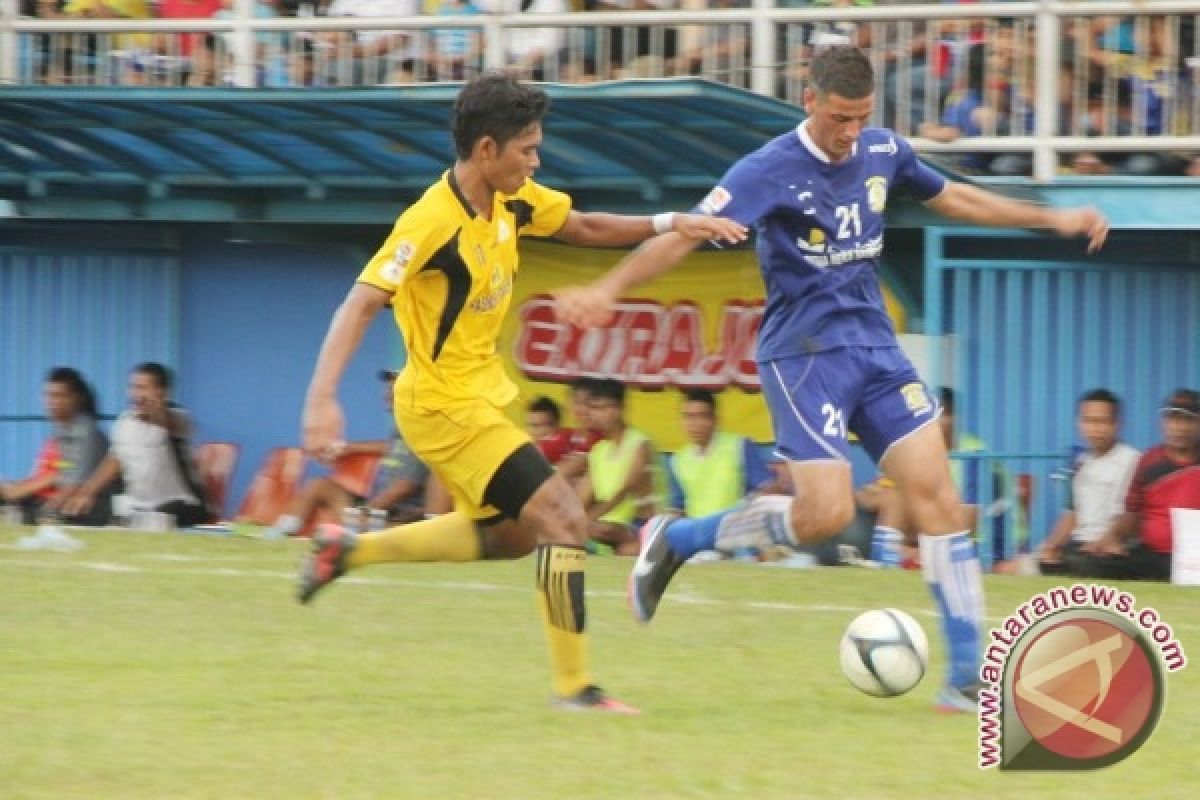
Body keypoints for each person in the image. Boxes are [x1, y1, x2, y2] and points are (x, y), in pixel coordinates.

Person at [554, 45, 1108, 712]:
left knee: (938, 495)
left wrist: (1051, 217)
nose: (851, 134)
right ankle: (678, 539)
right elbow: (685, 234)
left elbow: (954, 197)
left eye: (862, 118)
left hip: (875, 349)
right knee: (826, 515)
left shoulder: (883, 152)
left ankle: (965, 679)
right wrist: (611, 288)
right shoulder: (768, 170)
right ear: (809, 101)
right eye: (840, 118)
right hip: (803, 357)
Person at [295, 72, 746, 713]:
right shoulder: (430, 221)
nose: (536, 160)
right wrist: (322, 398)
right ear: (486, 150)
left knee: (514, 536)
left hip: (478, 400)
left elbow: (584, 226)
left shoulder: (512, 200)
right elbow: (361, 302)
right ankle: (576, 690)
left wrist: (677, 221)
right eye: (526, 149)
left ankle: (349, 549)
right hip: (442, 408)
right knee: (562, 518)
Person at [263, 369, 431, 539]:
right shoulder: (401, 426)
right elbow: (392, 447)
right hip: (375, 509)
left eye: (394, 389)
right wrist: (350, 447)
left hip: (399, 515)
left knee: (369, 525)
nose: (387, 394)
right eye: (388, 389)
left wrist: (366, 511)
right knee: (319, 486)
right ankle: (281, 533)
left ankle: (361, 533)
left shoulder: (422, 429)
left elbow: (403, 487)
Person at [63, 362, 211, 528]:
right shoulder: (125, 421)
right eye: (132, 387)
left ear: (162, 392)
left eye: (142, 388)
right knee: (78, 516)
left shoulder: (180, 418)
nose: (135, 394)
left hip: (180, 504)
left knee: (154, 519)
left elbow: (168, 421)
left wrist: (156, 408)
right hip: (136, 507)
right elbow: (114, 460)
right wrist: (86, 492)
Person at [1078, 389, 1200, 581]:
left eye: (1188, 420)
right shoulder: (1149, 461)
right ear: (1163, 423)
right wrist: (1111, 538)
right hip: (1152, 555)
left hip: (1194, 559)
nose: (1179, 428)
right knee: (1092, 564)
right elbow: (1133, 511)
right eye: (1173, 419)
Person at [1037, 389, 1140, 576]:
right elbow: (1072, 514)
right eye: (1089, 421)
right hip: (1078, 546)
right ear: (1079, 423)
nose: (1096, 429)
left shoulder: (1131, 460)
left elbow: (1129, 515)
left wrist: (1104, 542)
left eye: (1103, 422)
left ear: (1117, 424)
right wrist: (1050, 547)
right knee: (1014, 567)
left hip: (1109, 550)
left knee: (1079, 566)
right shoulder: (1082, 461)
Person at [1, 367, 111, 525]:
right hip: (62, 497)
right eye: (47, 395)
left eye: (59, 396)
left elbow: (71, 481)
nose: (52, 402)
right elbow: (63, 466)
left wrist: (45, 510)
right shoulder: (61, 429)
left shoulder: (86, 432)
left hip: (87, 506)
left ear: (76, 398)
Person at [664, 388, 777, 520]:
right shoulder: (678, 461)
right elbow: (677, 508)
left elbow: (766, 489)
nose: (695, 424)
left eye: (702, 416)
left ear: (715, 419)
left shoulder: (739, 446)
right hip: (697, 535)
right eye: (689, 417)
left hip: (734, 533)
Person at [576, 378, 655, 555]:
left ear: (619, 409)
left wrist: (587, 520)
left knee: (607, 533)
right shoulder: (598, 451)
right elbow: (581, 497)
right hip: (604, 527)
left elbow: (624, 491)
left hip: (640, 526)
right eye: (592, 408)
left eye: (601, 408)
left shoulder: (640, 444)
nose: (594, 414)